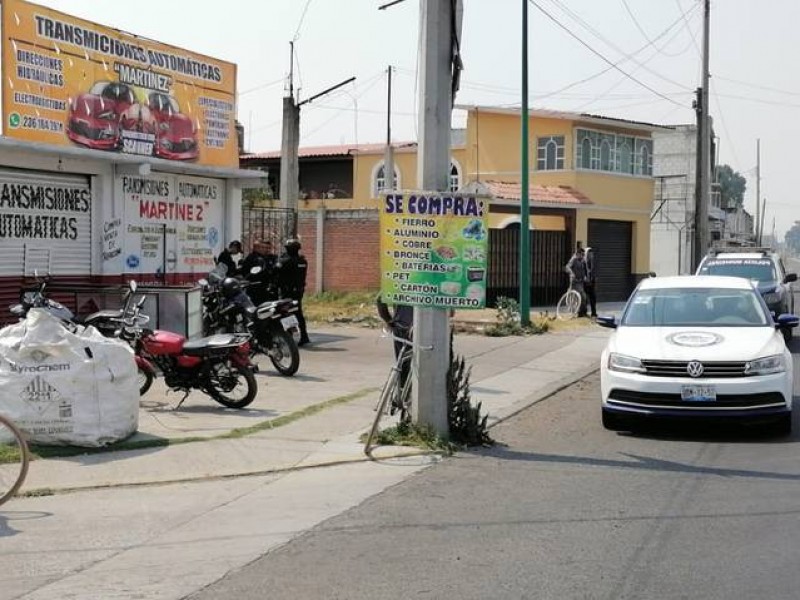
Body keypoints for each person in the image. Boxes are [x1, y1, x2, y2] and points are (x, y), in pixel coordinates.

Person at [376, 294, 414, 402]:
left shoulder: (397, 281)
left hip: (400, 327)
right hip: (420, 328)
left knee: (402, 363)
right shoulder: (431, 280)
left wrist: (389, 321)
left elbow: (380, 299)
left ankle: (402, 395)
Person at [276, 239, 310, 345]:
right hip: (298, 292)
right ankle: (304, 335)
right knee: (298, 313)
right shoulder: (303, 261)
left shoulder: (285, 261)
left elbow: (276, 271)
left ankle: (289, 336)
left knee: (285, 313)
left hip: (286, 291)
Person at [565, 246, 588, 318]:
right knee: (581, 296)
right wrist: (571, 273)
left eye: (583, 254)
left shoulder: (582, 260)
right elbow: (567, 267)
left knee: (582, 297)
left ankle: (582, 312)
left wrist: (585, 276)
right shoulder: (574, 259)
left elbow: (584, 270)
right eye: (582, 254)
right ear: (578, 253)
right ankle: (580, 312)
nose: (583, 256)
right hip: (575, 282)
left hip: (580, 282)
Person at [584, 246, 598, 318]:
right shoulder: (583, 262)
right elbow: (582, 271)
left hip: (592, 282)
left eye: (592, 253)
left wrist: (595, 278)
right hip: (585, 283)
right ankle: (584, 312)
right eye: (589, 253)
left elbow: (594, 271)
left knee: (593, 298)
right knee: (585, 298)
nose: (591, 255)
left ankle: (594, 313)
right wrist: (584, 277)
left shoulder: (593, 262)